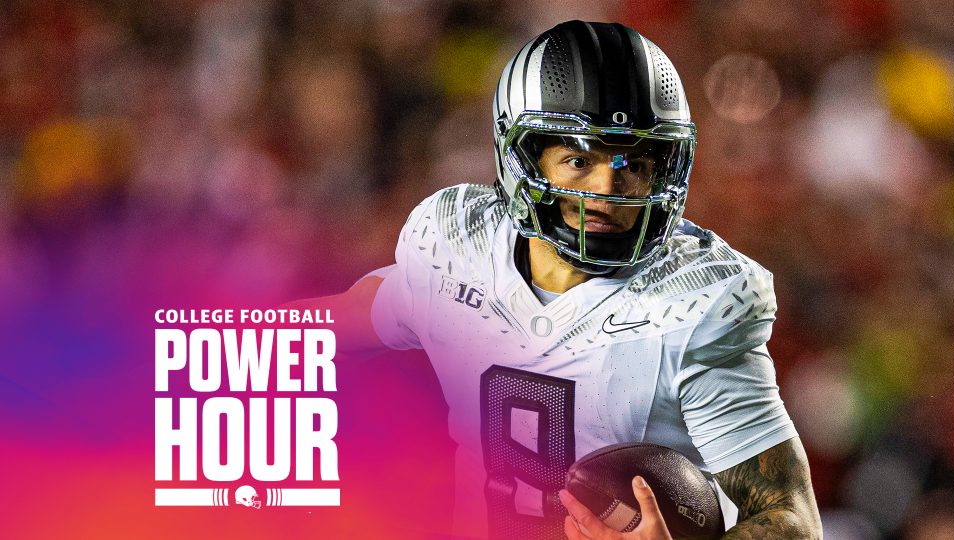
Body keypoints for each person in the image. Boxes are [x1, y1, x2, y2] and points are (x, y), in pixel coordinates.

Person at [285, 20, 822, 540]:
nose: (608, 187)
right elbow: (355, 317)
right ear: (525, 159)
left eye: (633, 163)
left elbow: (792, 517)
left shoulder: (692, 304)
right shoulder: (462, 249)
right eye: (579, 160)